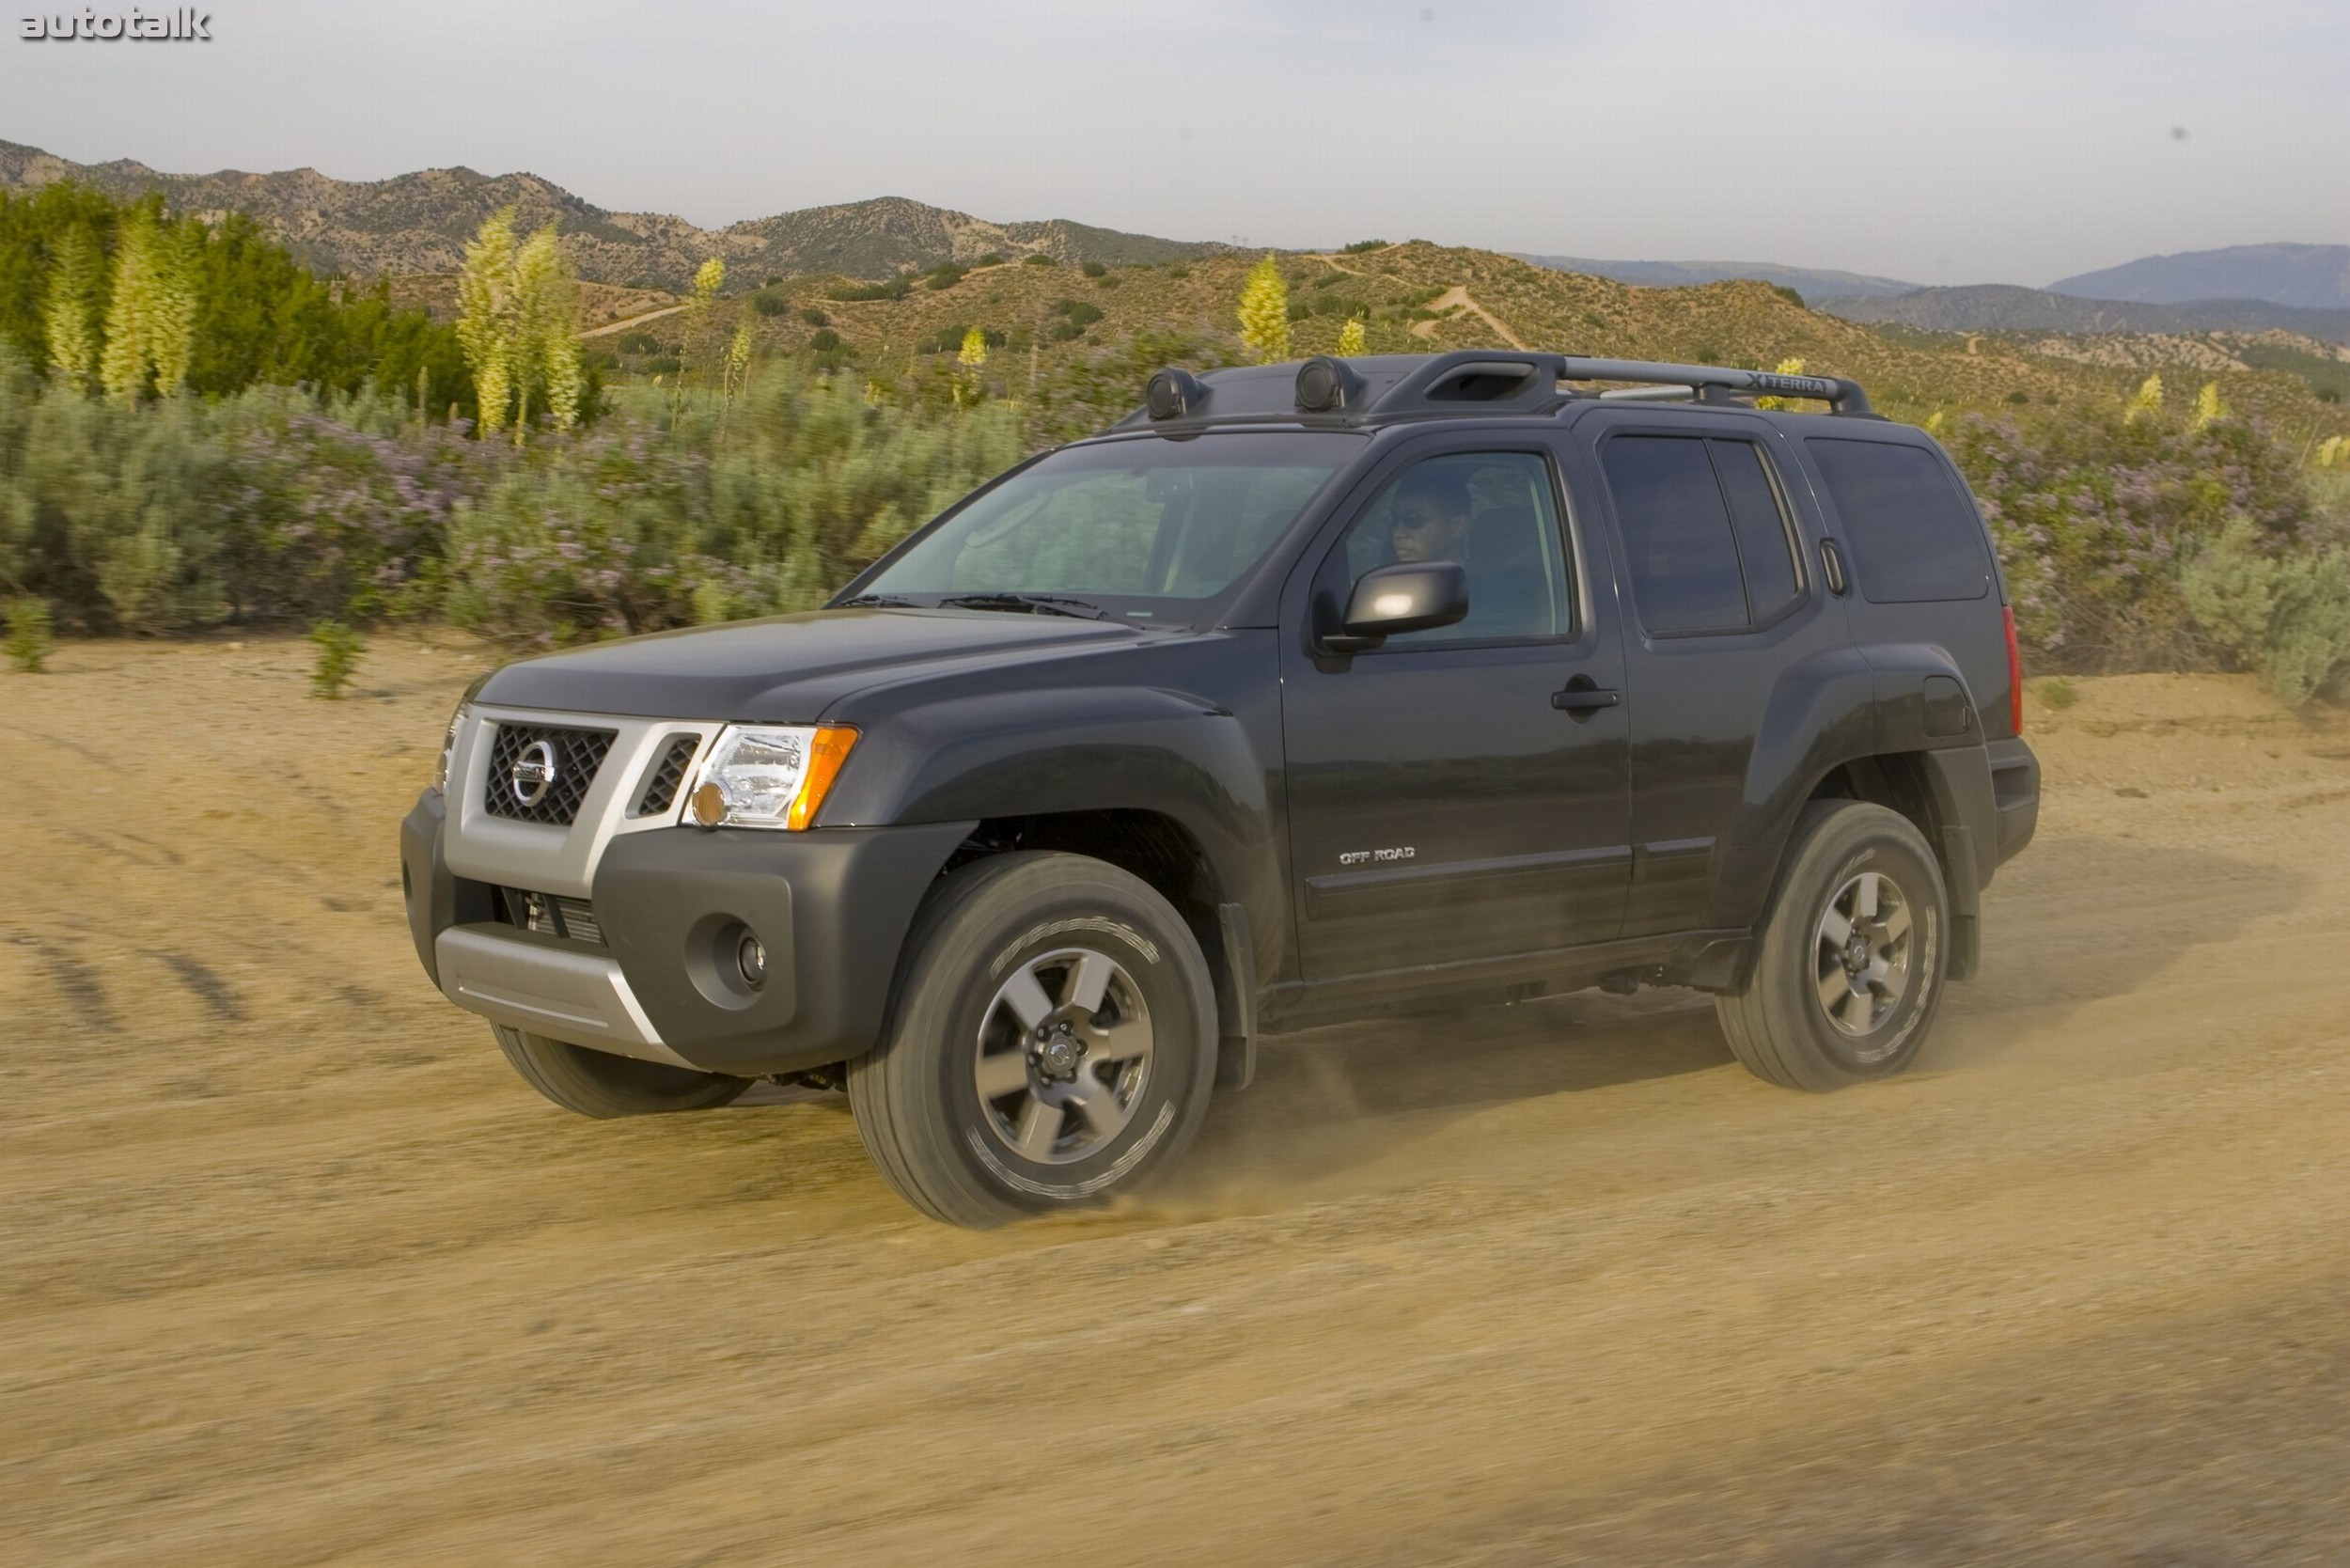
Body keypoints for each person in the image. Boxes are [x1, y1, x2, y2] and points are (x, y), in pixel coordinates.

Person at [1388, 469, 1472, 564]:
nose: (1398, 534)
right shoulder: (1386, 577)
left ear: (1457, 526)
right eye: (1393, 519)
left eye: (1413, 519)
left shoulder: (1484, 578)